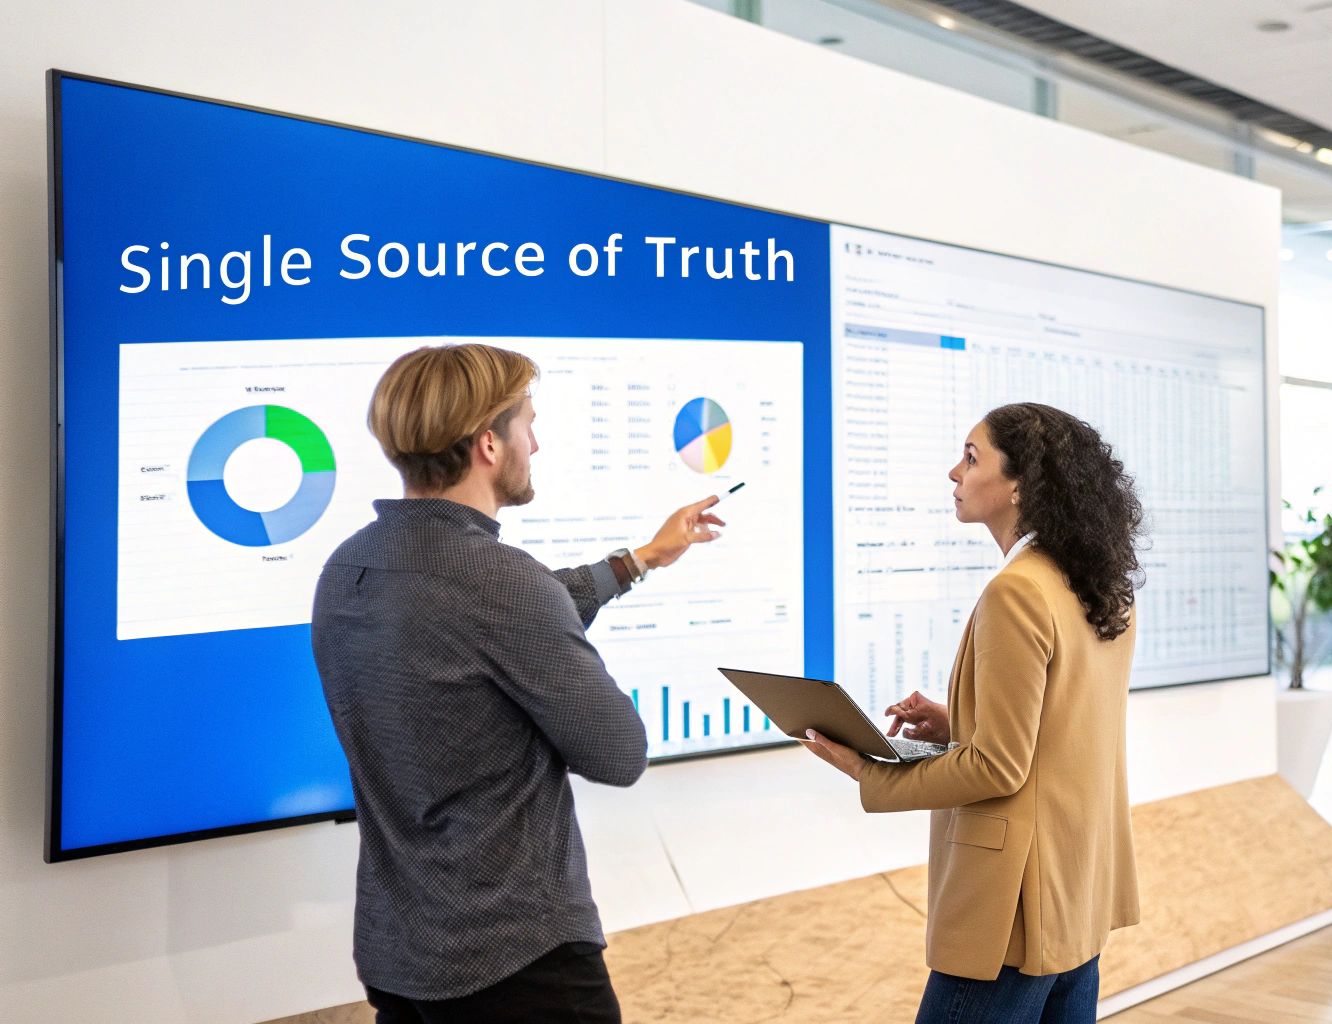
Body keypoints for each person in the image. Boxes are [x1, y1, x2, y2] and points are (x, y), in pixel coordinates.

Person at [311, 343, 725, 1023]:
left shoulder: (351, 566)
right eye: (527, 422)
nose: (536, 439)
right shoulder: (500, 581)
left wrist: (640, 560)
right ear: (488, 446)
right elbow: (618, 754)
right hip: (516, 963)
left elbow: (489, 615)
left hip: (400, 955)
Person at [802, 402, 1145, 1024]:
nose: (953, 473)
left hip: (1012, 907)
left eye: (970, 457)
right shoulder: (1098, 584)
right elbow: (1062, 734)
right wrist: (958, 718)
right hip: (1074, 889)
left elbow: (999, 769)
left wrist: (867, 769)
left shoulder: (1016, 590)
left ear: (1020, 484)